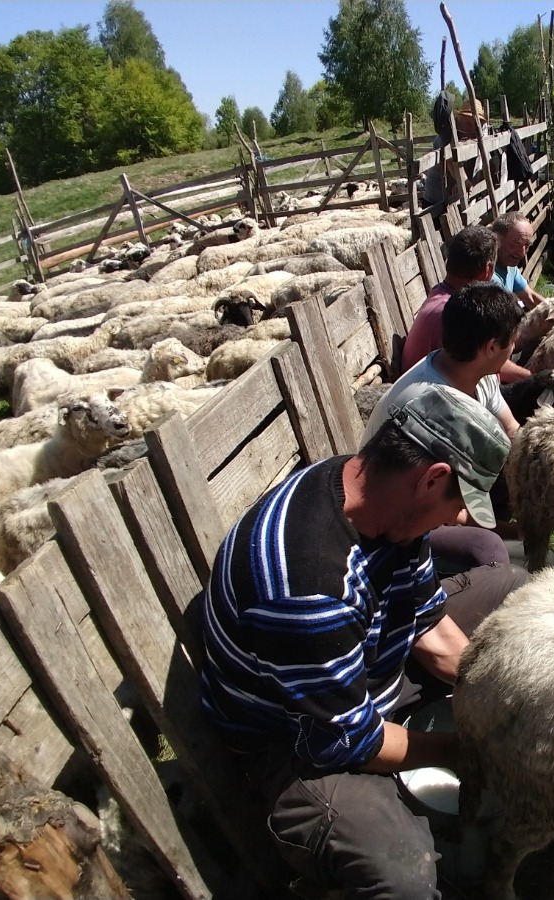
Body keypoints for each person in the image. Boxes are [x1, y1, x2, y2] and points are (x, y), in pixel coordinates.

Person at [200, 384, 528, 900]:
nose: (454, 521)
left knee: (514, 592)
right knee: (404, 879)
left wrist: (496, 696)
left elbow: (424, 614)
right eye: (458, 505)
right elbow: (351, 740)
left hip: (362, 663)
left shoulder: (378, 498)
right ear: (433, 478)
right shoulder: (310, 589)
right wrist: (470, 751)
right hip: (297, 738)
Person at [364, 281, 523, 569]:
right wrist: (514, 532)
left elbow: (512, 430)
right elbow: (437, 505)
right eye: (512, 341)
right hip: (400, 519)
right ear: (491, 347)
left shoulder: (480, 375)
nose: (514, 348)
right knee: (490, 551)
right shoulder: (427, 408)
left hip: (444, 493)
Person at [402, 225, 530, 382]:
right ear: (487, 270)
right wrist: (532, 378)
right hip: (432, 391)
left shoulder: (442, 295)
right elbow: (483, 362)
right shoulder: (457, 313)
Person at [421, 98, 488, 209]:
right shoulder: (445, 137)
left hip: (456, 199)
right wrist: (463, 180)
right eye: (468, 123)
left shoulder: (475, 140)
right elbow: (451, 161)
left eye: (476, 124)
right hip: (436, 199)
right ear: (458, 121)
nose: (472, 128)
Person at [490, 211, 545, 311]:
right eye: (517, 242)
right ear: (497, 239)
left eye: (527, 245)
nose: (522, 253)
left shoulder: (510, 267)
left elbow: (530, 297)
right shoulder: (489, 276)